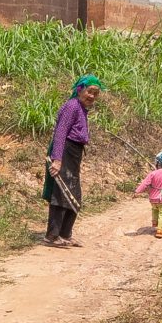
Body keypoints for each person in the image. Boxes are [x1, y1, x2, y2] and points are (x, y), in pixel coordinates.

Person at [43, 75, 102, 247]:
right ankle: (52, 236)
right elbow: (60, 133)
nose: (91, 96)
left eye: (95, 93)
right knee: (62, 193)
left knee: (73, 194)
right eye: (89, 91)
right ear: (79, 89)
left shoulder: (81, 108)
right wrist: (57, 159)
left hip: (74, 153)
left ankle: (65, 234)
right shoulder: (72, 106)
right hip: (66, 151)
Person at [137, 150, 162, 238]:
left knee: (155, 209)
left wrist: (137, 192)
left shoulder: (153, 173)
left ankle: (155, 222)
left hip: (153, 198)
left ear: (157, 163)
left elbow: (144, 183)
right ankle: (160, 230)